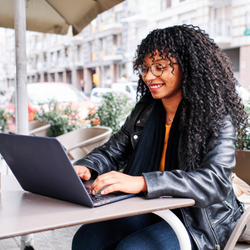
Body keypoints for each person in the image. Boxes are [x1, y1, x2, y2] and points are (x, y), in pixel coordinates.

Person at [71, 25, 248, 250]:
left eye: (160, 67)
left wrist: (143, 182)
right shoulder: (146, 110)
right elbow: (112, 151)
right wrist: (87, 167)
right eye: (145, 68)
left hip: (200, 220)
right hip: (150, 205)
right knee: (86, 239)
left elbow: (214, 182)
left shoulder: (215, 118)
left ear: (188, 68)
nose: (148, 76)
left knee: (133, 249)